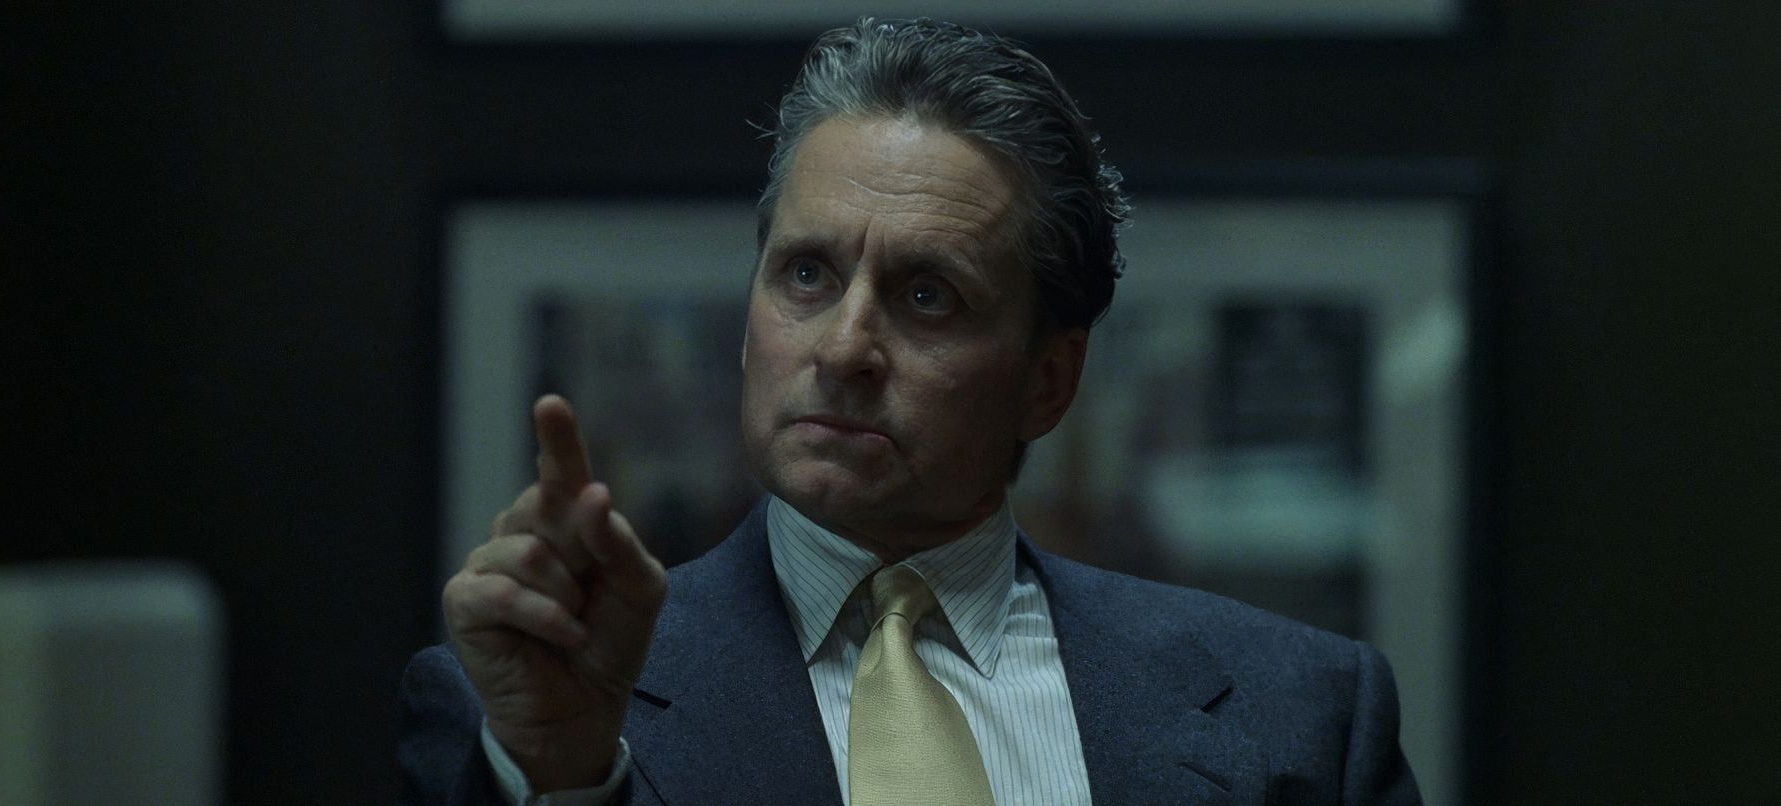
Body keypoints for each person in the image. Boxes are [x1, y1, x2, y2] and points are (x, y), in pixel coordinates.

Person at [399, 17, 1420, 806]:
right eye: (806, 273)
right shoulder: (531, 704)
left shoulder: (1302, 712)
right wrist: (568, 778)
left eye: (928, 295)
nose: (845, 346)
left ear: (1048, 381)